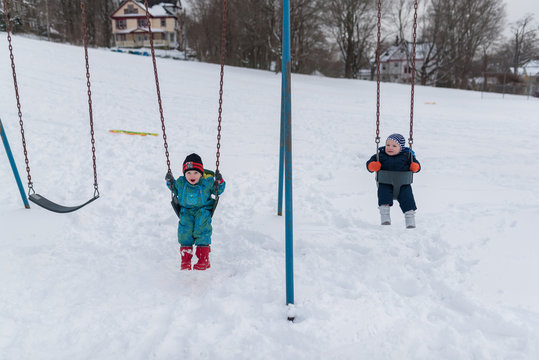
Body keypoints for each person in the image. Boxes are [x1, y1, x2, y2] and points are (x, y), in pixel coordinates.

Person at [165, 153, 226, 270]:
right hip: (186, 212)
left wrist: (220, 181)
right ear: (184, 174)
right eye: (188, 173)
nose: (192, 176)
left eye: (195, 173)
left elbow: (219, 189)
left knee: (202, 230)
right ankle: (185, 260)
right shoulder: (181, 183)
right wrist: (169, 180)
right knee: (184, 233)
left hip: (202, 211)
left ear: (201, 173)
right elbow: (174, 188)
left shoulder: (206, 183)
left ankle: (203, 259)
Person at [366, 133, 420, 228]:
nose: (390, 147)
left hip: (403, 184)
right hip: (385, 183)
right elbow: (369, 163)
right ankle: (385, 218)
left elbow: (416, 165)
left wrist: (415, 167)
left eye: (394, 146)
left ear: (401, 148)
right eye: (388, 145)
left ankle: (410, 219)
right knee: (383, 197)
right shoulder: (381, 155)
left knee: (408, 200)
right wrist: (372, 166)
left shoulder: (407, 155)